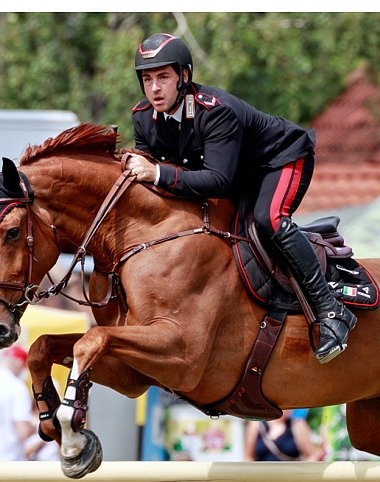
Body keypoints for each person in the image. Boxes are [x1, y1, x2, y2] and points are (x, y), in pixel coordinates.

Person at [126, 33, 357, 364]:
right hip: (238, 175)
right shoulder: (143, 118)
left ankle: (331, 311)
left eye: (164, 77)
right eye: (147, 79)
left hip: (281, 159)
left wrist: (159, 174)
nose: (155, 89)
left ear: (184, 76)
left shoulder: (214, 111)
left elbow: (217, 181)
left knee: (269, 220)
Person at [244, 409, 319, 461]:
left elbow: (311, 456)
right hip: (261, 479)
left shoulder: (297, 424)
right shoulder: (256, 424)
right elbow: (248, 457)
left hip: (289, 479)